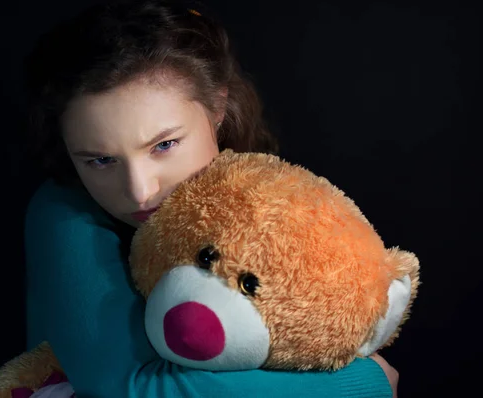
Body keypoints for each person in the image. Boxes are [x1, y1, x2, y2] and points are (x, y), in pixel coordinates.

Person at [23, 0, 399, 396]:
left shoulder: (266, 198)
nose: (139, 190)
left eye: (164, 144)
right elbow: (128, 390)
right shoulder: (65, 215)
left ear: (217, 108)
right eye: (101, 160)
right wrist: (359, 383)